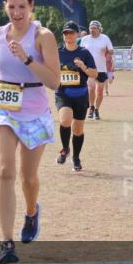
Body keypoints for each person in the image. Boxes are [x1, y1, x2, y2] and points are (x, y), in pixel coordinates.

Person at [0, 0, 60, 264]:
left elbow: (53, 81)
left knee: (28, 178)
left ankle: (32, 210)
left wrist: (26, 58)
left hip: (35, 109)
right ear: (5, 7)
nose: (16, 12)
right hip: (3, 108)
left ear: (31, 7)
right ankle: (7, 243)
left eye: (22, 6)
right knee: (5, 170)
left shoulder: (43, 37)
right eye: (11, 7)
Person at [54, 21, 98, 172]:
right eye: (66, 33)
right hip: (63, 93)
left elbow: (95, 74)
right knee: (65, 119)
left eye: (71, 33)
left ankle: (76, 157)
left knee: (78, 130)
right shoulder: (57, 52)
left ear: (77, 34)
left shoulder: (84, 53)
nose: (68, 35)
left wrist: (84, 67)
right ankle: (65, 149)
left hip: (81, 95)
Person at [79, 20, 113, 120]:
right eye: (91, 28)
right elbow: (80, 52)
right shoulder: (85, 39)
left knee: (100, 92)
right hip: (89, 68)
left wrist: (106, 51)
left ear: (99, 29)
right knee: (91, 90)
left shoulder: (105, 38)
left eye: (94, 28)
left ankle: (97, 109)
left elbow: (111, 51)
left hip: (101, 69)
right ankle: (91, 108)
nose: (92, 30)